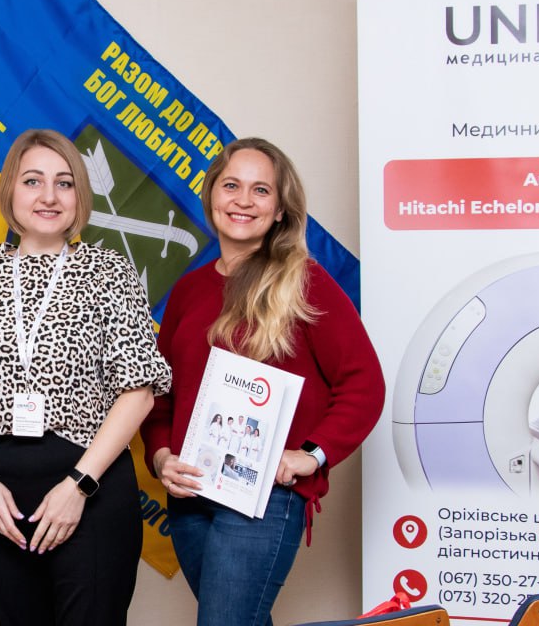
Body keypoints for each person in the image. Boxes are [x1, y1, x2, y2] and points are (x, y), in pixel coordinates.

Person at [141, 137, 386, 626]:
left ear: (279, 210)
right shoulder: (188, 289)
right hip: (190, 498)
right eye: (231, 185)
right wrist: (162, 456)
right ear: (212, 195)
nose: (243, 201)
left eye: (261, 190)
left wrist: (311, 455)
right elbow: (161, 395)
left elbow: (364, 384)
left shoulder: (305, 283)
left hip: (262, 499)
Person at [0, 128, 171, 626]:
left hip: (90, 488)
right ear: (10, 189)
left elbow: (139, 392)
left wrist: (78, 486)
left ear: (80, 196)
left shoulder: (109, 271)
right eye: (33, 181)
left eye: (64, 183)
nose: (48, 196)